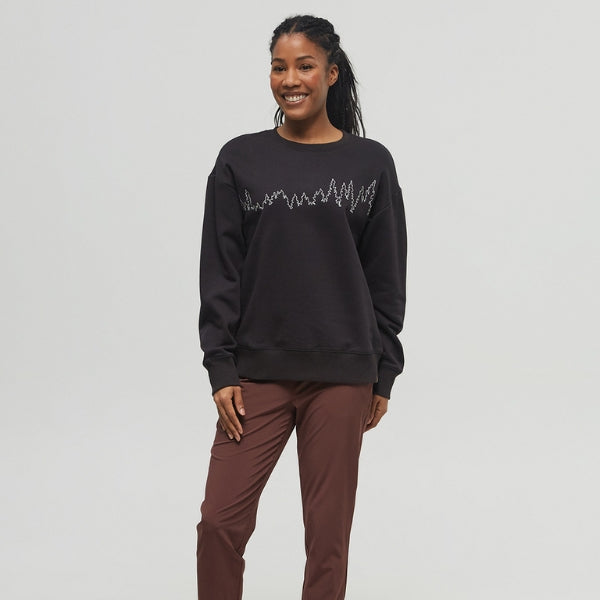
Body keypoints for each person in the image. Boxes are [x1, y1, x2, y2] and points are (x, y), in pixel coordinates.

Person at [196, 14, 408, 600]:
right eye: (279, 67)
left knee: (328, 538)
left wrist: (384, 370)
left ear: (331, 74)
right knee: (219, 523)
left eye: (305, 66)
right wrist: (221, 366)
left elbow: (386, 277)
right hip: (256, 375)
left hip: (343, 374)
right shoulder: (240, 159)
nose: (290, 79)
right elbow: (220, 270)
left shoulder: (371, 163)